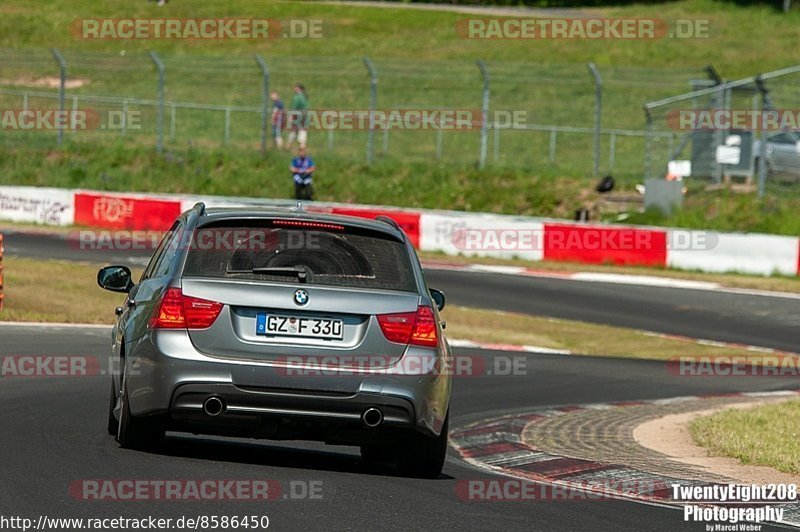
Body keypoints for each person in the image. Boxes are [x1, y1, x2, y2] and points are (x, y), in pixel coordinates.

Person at [287, 83, 309, 150]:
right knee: (302, 130)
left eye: (295, 87)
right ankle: (302, 145)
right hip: (305, 116)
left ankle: (289, 145)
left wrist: (291, 116)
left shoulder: (297, 97)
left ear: (298, 88)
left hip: (298, 116)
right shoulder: (305, 96)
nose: (294, 89)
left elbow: (294, 108)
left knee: (294, 130)